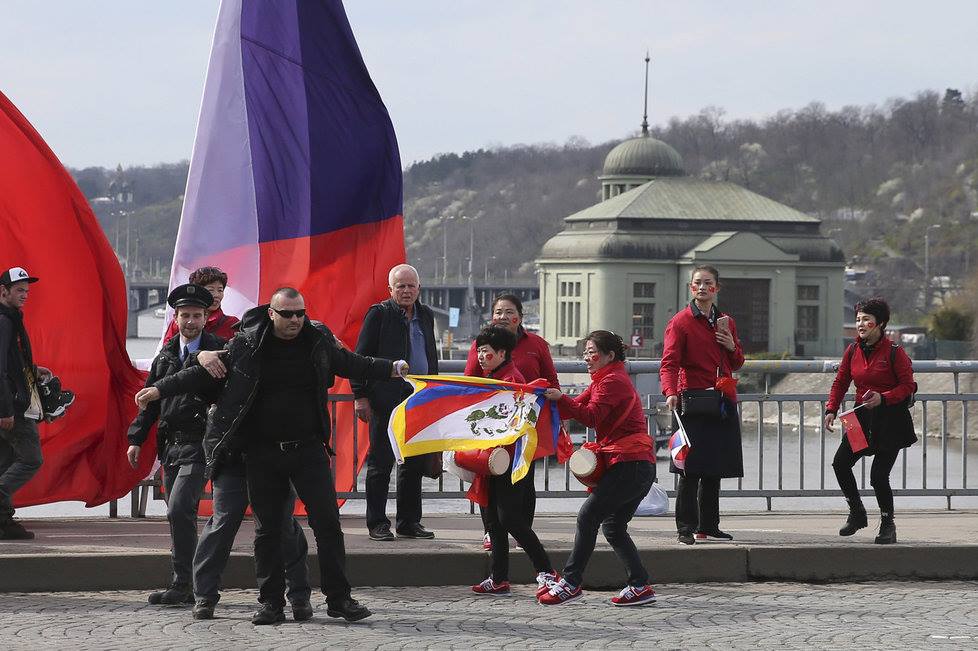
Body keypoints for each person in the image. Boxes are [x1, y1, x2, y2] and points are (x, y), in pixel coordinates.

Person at [136, 287, 407, 624]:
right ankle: (271, 604)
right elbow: (201, 373)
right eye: (287, 314)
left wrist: (395, 368)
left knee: (327, 524)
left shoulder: (317, 341)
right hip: (261, 452)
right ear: (272, 314)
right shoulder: (248, 344)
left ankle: (339, 599)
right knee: (268, 531)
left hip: (308, 449)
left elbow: (354, 363)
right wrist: (160, 389)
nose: (295, 320)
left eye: (300, 313)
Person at [540, 331, 657, 607]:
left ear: (609, 356)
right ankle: (640, 585)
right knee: (614, 527)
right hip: (637, 465)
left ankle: (570, 582)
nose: (586, 358)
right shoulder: (605, 379)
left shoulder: (611, 381)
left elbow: (591, 416)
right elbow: (573, 408)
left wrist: (560, 399)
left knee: (588, 517)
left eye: (591, 352)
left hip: (629, 464)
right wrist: (546, 399)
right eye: (585, 353)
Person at [126, 284, 226, 605]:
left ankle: (196, 582)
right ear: (176, 317)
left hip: (200, 442)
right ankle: (183, 583)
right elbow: (150, 400)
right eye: (185, 315)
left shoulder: (217, 350)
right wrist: (136, 439)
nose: (191, 321)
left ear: (206, 317)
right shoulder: (167, 353)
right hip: (170, 443)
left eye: (197, 315)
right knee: (175, 512)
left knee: (182, 507)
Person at [467, 325, 558, 598]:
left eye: (486, 352)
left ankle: (546, 571)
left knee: (510, 520)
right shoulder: (497, 376)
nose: (481, 357)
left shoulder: (509, 381)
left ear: (502, 353)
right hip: (496, 459)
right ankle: (498, 578)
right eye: (479, 351)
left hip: (509, 459)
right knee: (494, 520)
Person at [352, 264, 438, 542]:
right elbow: (360, 358)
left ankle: (409, 522)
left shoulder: (426, 315)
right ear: (390, 290)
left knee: (412, 463)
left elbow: (431, 355)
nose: (406, 290)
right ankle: (377, 523)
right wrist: (360, 396)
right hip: (385, 400)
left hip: (418, 398)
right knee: (380, 463)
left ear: (419, 288)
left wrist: (435, 392)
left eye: (411, 285)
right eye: (400, 286)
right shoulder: (379, 315)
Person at [660, 265, 745, 545]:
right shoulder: (681, 321)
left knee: (715, 465)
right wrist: (670, 392)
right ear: (691, 288)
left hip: (722, 398)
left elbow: (737, 363)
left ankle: (709, 525)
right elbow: (669, 362)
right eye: (697, 283)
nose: (702, 288)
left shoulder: (725, 322)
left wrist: (731, 345)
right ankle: (686, 527)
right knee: (690, 467)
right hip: (692, 399)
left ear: (717, 288)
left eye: (708, 283)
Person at [824, 298, 916, 544]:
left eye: (866, 319)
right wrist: (831, 408)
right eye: (857, 320)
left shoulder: (895, 352)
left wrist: (884, 398)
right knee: (840, 463)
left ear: (880, 323)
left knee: (878, 476)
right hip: (860, 416)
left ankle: (888, 525)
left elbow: (908, 386)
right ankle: (857, 513)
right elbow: (841, 381)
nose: (860, 324)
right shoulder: (852, 350)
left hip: (891, 418)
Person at [0, 267, 48, 540]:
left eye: (27, 291)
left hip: (10, 402)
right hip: (13, 407)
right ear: (3, 291)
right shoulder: (4, 320)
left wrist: (31, 367)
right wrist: (5, 410)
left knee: (5, 461)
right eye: (19, 290)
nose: (25, 295)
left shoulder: (10, 318)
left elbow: (9, 360)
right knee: (31, 459)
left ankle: (4, 523)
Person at [163, 266, 240, 343]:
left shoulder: (232, 324)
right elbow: (166, 352)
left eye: (220, 290)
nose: (216, 295)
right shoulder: (180, 323)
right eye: (211, 290)